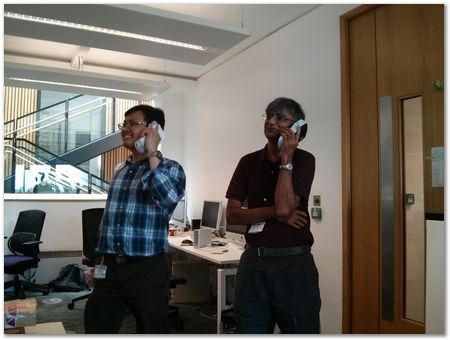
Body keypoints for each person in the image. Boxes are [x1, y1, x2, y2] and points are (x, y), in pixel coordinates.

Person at [84, 104, 186, 334]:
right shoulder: (121, 168)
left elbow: (168, 199)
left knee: (152, 329)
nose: (125, 128)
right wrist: (98, 263)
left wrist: (152, 152)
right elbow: (109, 220)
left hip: (147, 269)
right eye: (124, 123)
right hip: (109, 267)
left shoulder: (171, 168)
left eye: (133, 123)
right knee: (96, 325)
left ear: (153, 129)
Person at [225, 97, 321, 334]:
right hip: (253, 263)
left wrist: (286, 160)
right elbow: (233, 215)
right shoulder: (247, 162)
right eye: (268, 115)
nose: (270, 120)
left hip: (293, 265)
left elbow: (286, 206)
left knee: (300, 329)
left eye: (280, 117)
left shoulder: (305, 160)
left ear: (297, 128)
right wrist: (276, 214)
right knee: (249, 329)